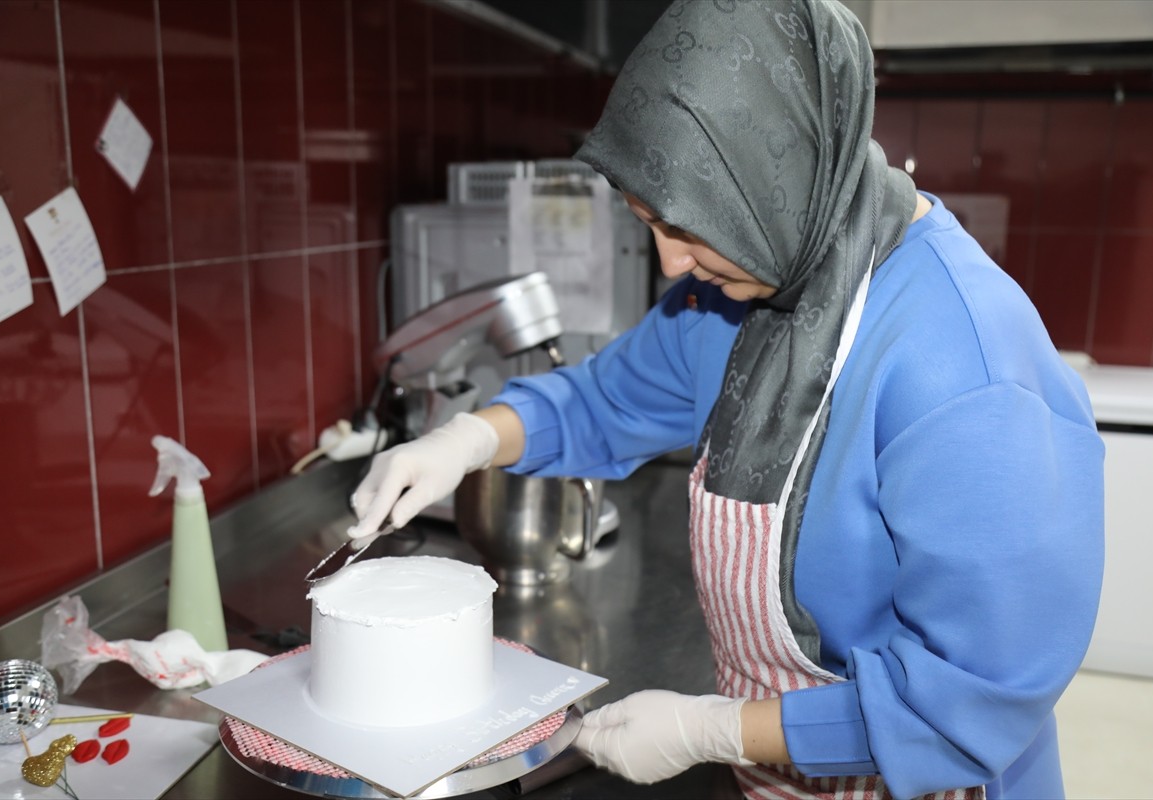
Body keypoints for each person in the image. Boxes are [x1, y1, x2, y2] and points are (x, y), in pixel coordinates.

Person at [349, 1, 1105, 798]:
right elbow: (605, 400)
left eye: (690, 226)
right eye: (649, 224)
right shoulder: (737, 284)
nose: (672, 263)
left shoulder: (965, 369)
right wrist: (463, 441)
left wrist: (706, 730)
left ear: (772, 175)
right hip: (777, 780)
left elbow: (967, 705)